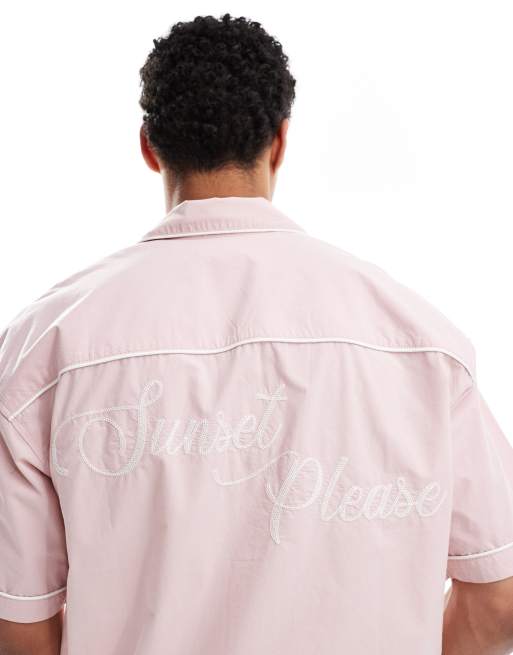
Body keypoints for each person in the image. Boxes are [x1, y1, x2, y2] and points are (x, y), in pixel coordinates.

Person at [0, 13, 512, 655]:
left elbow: (19, 625)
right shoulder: (420, 341)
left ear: (149, 146)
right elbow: (498, 598)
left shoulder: (43, 348)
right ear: (280, 140)